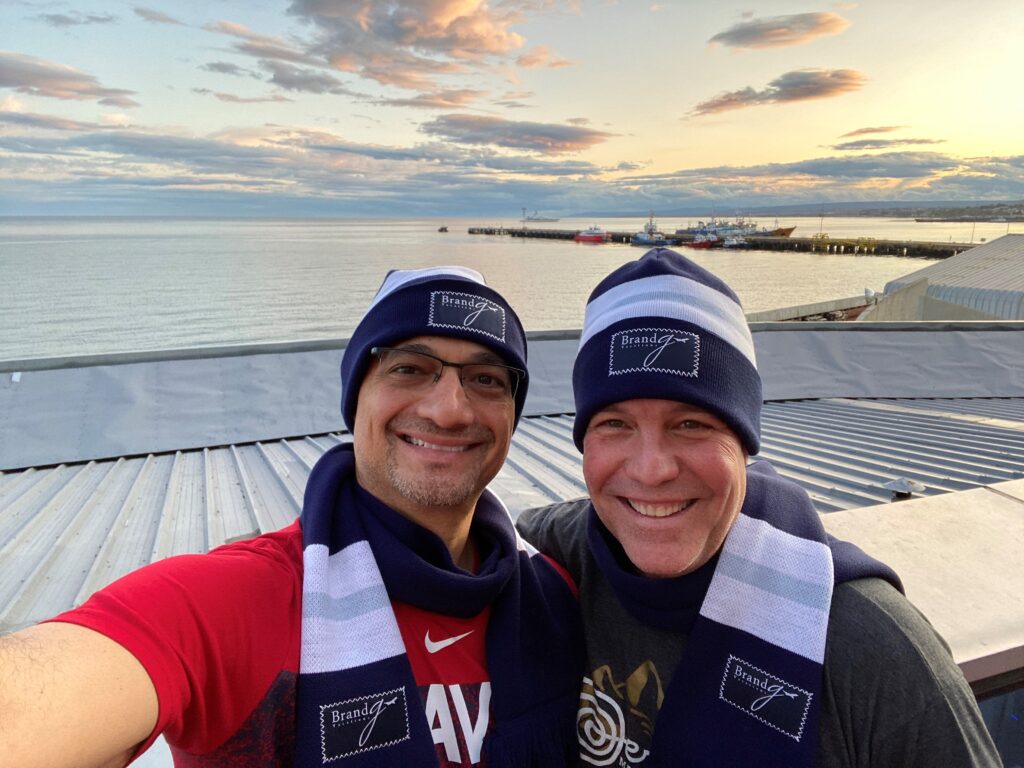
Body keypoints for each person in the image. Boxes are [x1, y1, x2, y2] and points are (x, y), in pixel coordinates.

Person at [0, 266, 583, 768]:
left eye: (485, 379)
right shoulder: (244, 597)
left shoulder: (557, 594)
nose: (449, 408)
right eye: (409, 368)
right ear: (357, 398)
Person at [517, 248, 1002, 768]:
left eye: (691, 424)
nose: (651, 469)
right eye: (614, 424)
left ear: (744, 446)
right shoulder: (565, 552)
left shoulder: (870, 647)